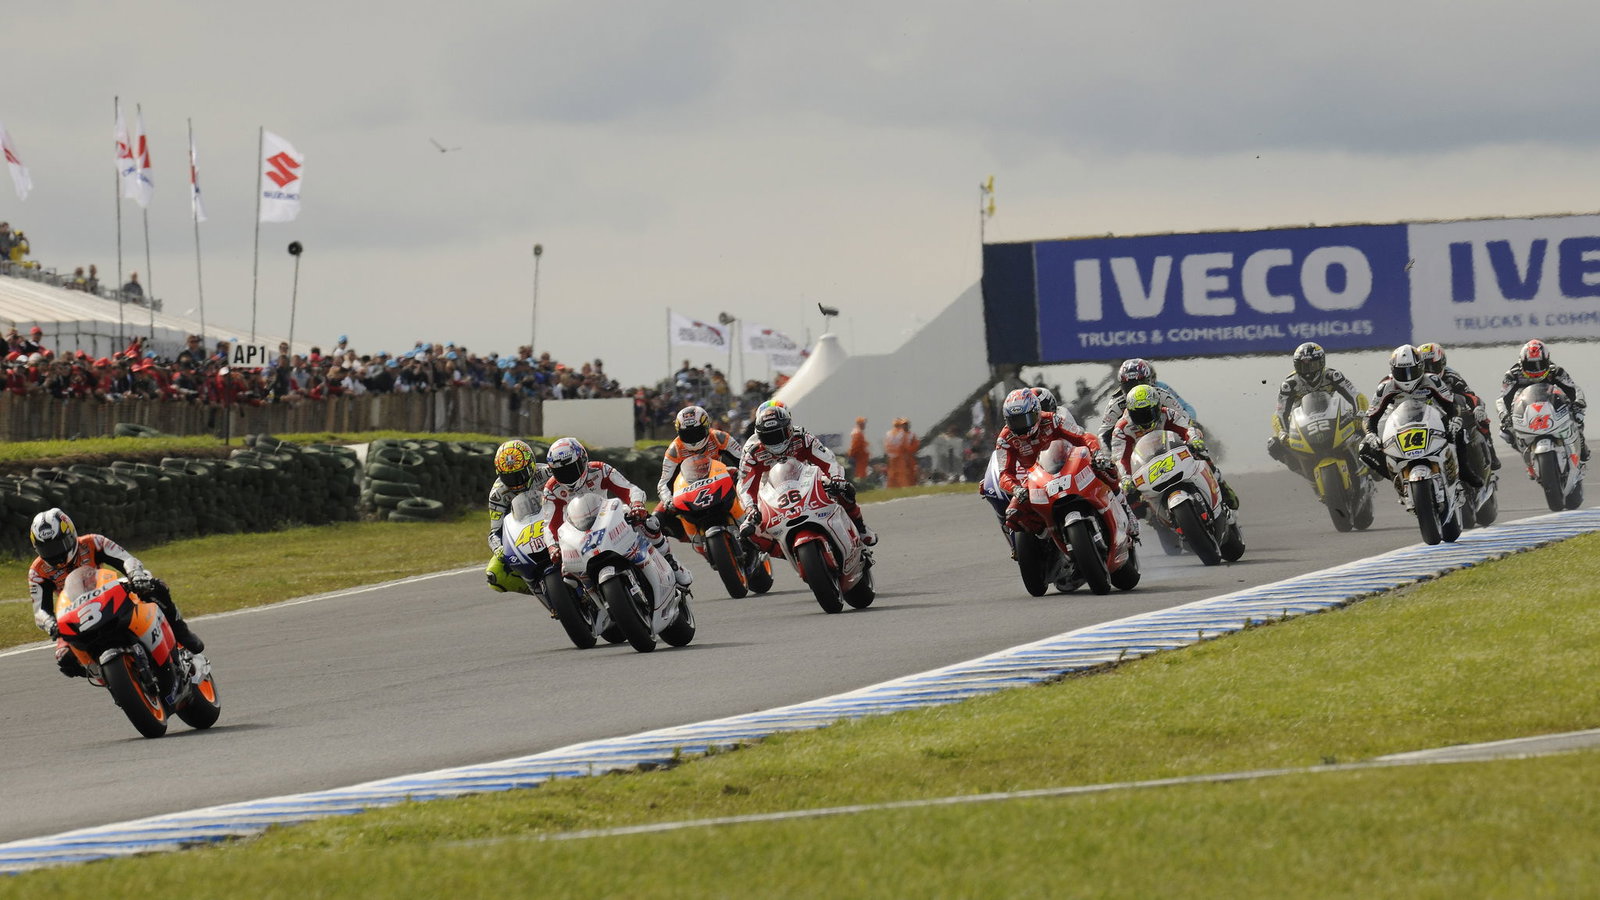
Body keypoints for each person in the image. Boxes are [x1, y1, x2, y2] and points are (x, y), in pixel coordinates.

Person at [27, 509, 204, 679]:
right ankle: (111, 678)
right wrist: (50, 623)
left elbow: (126, 559)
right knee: (64, 658)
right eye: (47, 550)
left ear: (70, 535)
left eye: (59, 545)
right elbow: (40, 610)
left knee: (155, 587)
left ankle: (181, 632)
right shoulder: (38, 571)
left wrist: (135, 575)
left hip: (107, 591)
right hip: (74, 612)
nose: (55, 554)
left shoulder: (92, 542)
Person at [542, 437, 693, 586]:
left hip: (604, 517)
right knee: (567, 574)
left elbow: (630, 489)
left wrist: (637, 505)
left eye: (571, 469)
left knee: (649, 523)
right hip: (576, 532)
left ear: (582, 460)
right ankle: (587, 605)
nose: (568, 476)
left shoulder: (599, 469)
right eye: (560, 472)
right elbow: (550, 525)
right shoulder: (551, 489)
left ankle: (669, 560)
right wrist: (553, 547)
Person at [996, 388, 1136, 539]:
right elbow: (1004, 475)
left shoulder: (1053, 420)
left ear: (1036, 412)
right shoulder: (1005, 439)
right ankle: (1042, 538)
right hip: (1035, 477)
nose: (1020, 427)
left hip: (1066, 463)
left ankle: (1125, 509)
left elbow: (1082, 436)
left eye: (1025, 419)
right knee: (1012, 515)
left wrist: (1097, 454)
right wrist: (1016, 489)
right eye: (1014, 422)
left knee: (1106, 468)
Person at [736, 403, 877, 546]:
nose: (775, 441)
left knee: (844, 489)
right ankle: (780, 551)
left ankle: (860, 527)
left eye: (779, 434)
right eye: (768, 437)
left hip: (805, 479)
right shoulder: (752, 451)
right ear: (759, 436)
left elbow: (828, 460)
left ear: (789, 427)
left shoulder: (802, 436)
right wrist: (750, 508)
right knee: (748, 531)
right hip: (770, 492)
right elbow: (744, 484)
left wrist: (836, 479)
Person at [1358, 344, 1479, 486]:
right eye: (1401, 372)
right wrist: (1370, 433)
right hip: (1399, 424)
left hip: (1432, 418)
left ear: (1421, 366)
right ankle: (1397, 478)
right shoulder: (1385, 387)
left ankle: (1464, 470)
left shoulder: (1432, 380)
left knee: (1459, 431)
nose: (1407, 377)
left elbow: (1451, 404)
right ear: (1392, 369)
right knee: (1364, 449)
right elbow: (1371, 416)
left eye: (1412, 370)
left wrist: (1455, 418)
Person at [1111, 384, 1240, 510]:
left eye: (1148, 413)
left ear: (1157, 407)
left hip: (1172, 452)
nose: (1145, 420)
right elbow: (1120, 459)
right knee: (1128, 494)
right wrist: (1126, 477)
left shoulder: (1168, 414)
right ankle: (1152, 518)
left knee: (1201, 451)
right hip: (1144, 465)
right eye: (1139, 415)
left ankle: (1221, 485)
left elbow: (1186, 429)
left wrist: (1194, 439)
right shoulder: (1122, 429)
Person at [1266, 342, 1364, 476]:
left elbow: (1357, 396)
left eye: (1312, 365)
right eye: (1303, 366)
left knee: (1364, 425)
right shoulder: (1289, 384)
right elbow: (1279, 413)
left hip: (1331, 416)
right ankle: (1306, 473)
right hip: (1302, 424)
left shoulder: (1333, 375)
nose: (1308, 371)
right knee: (1273, 444)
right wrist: (1282, 433)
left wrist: (1360, 415)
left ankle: (1367, 462)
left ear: (1322, 362)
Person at [653, 405, 743, 542]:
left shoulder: (719, 437)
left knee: (739, 475)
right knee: (656, 519)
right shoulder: (674, 450)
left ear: (707, 427)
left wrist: (744, 478)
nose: (693, 439)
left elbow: (744, 461)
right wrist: (668, 500)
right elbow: (663, 483)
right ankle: (692, 539)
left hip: (718, 479)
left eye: (697, 432)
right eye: (687, 434)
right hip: (687, 488)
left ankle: (748, 523)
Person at [1496, 339, 1588, 463]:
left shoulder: (1556, 371)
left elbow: (1574, 389)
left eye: (1540, 364)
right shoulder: (1512, 376)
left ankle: (1580, 443)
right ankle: (1528, 458)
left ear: (1547, 360)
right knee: (1505, 433)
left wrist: (1578, 404)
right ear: (1522, 362)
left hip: (1554, 408)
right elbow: (1502, 399)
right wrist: (1504, 417)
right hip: (1524, 413)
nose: (1535, 369)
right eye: (1530, 365)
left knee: (1577, 418)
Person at [1417, 341, 1501, 471]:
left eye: (1434, 366)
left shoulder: (1451, 376)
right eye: (1425, 368)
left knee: (1481, 418)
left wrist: (1477, 408)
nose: (1430, 372)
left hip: (1454, 413)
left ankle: (1492, 452)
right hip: (1428, 419)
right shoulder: (1415, 382)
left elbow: (1469, 395)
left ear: (1443, 363)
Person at [484, 440, 548, 594]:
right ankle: (539, 590)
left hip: (554, 521)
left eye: (520, 475)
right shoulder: (498, 495)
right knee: (494, 574)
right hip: (525, 535)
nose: (516, 483)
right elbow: (494, 531)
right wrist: (499, 549)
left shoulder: (548, 473)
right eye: (509, 478)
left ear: (531, 466)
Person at [1097, 358, 1193, 448]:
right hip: (1136, 451)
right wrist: (1106, 458)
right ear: (1122, 386)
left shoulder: (1162, 394)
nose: (1136, 390)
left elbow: (1184, 417)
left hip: (1166, 441)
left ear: (1149, 381)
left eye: (1140, 383)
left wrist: (1190, 439)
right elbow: (1103, 434)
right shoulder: (1116, 404)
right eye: (1129, 385)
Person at [884, 418, 921, 488]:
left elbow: (915, 446)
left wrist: (909, 452)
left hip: (909, 457)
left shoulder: (912, 434)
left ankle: (911, 485)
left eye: (906, 424)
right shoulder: (898, 434)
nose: (905, 426)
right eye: (903, 425)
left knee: (911, 473)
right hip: (900, 458)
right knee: (898, 473)